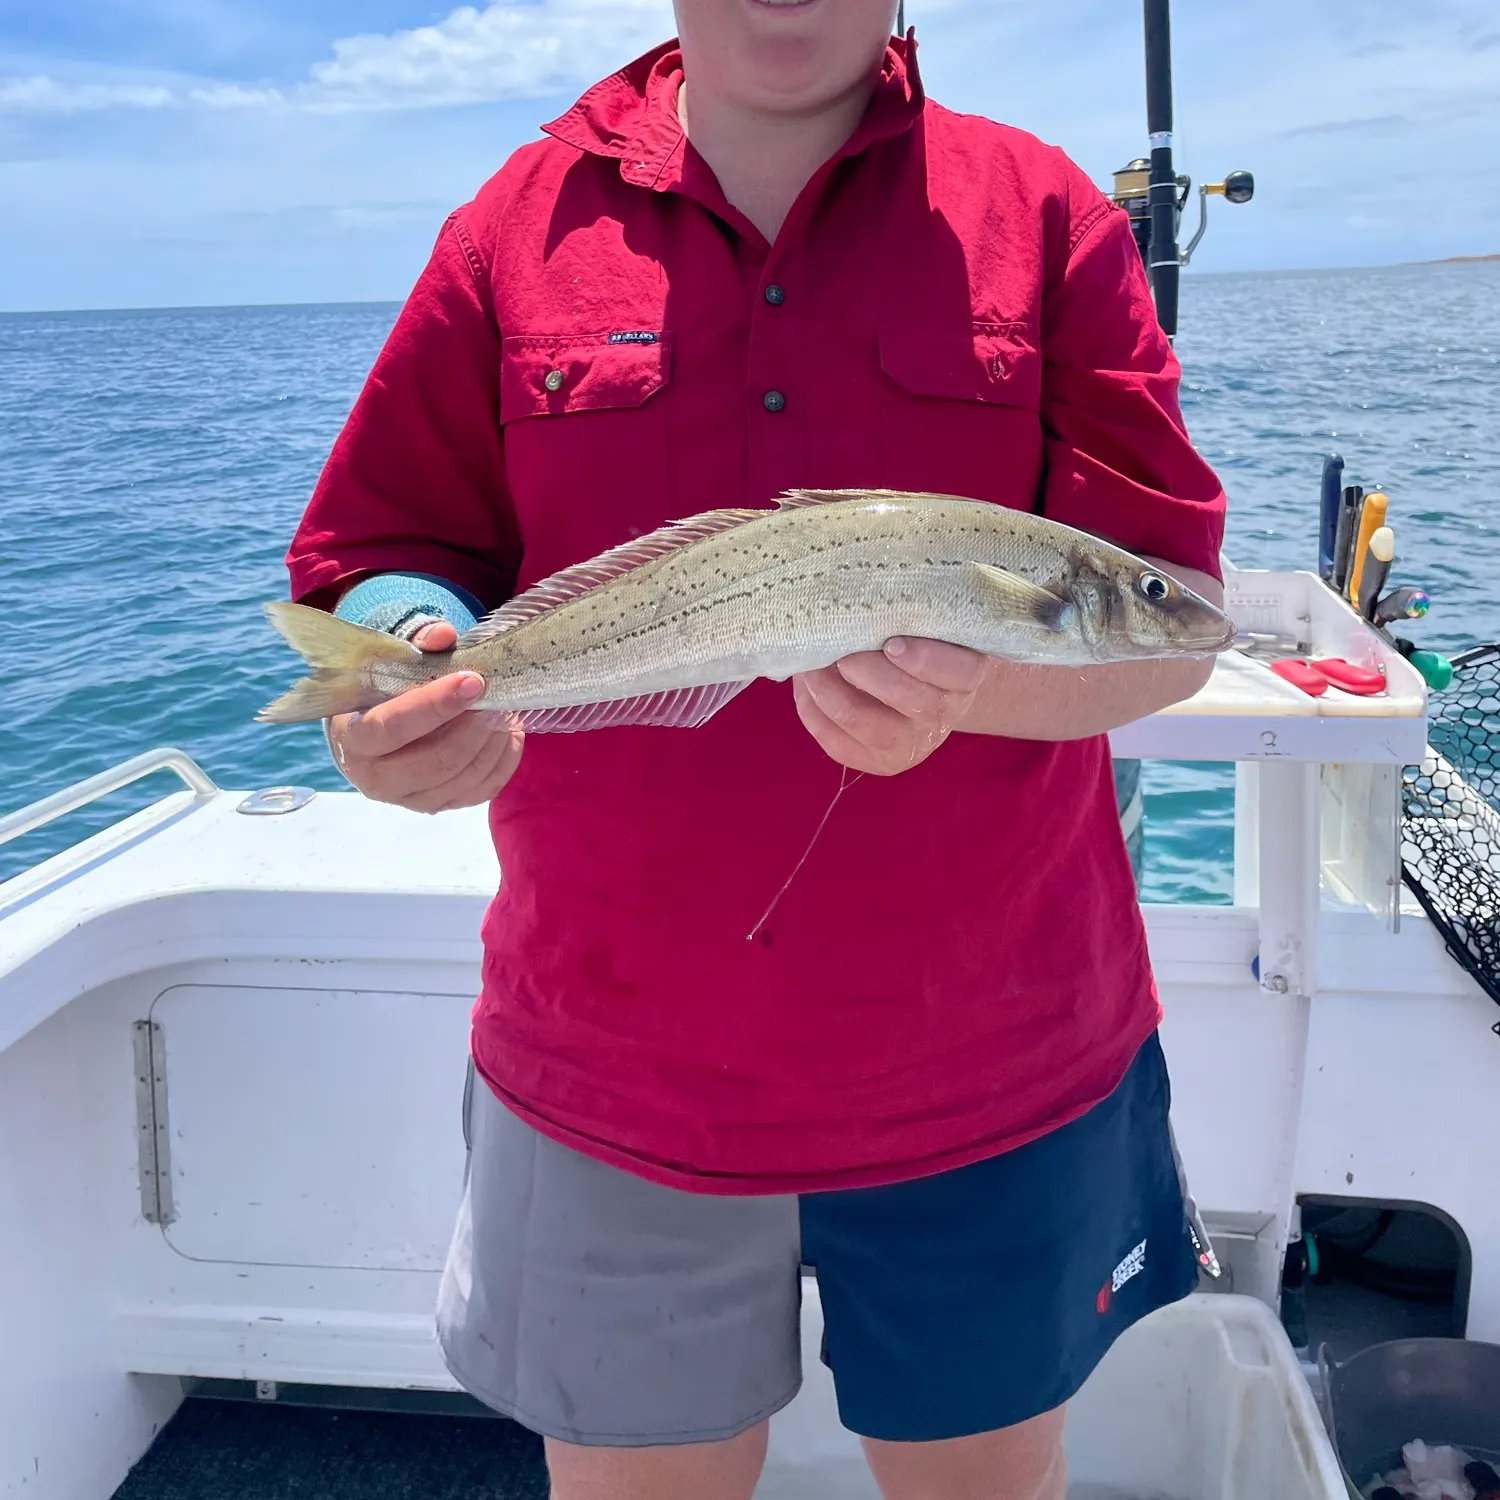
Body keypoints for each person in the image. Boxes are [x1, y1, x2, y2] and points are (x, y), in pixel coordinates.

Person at [285, 3, 1227, 1496]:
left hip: (999, 1064)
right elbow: (389, 552)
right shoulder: (510, 229)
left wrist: (955, 694)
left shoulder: (1044, 213)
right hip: (609, 1070)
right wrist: (408, 671)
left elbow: (1169, 626)